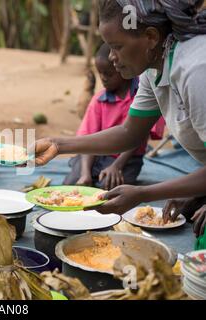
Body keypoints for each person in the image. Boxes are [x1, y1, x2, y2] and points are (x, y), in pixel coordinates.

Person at [31, 0, 206, 249]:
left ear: (150, 37)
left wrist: (144, 194)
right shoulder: (152, 67)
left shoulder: (195, 70)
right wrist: (58, 145)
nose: (112, 57)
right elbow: (129, 133)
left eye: (117, 47)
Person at [63, 43, 165, 190]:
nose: (103, 78)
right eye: (100, 73)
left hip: (126, 160)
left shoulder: (142, 96)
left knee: (108, 189)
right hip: (95, 155)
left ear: (122, 69)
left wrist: (116, 166)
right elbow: (89, 138)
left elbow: (138, 136)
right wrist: (85, 173)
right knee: (72, 185)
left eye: (109, 74)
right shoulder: (99, 100)